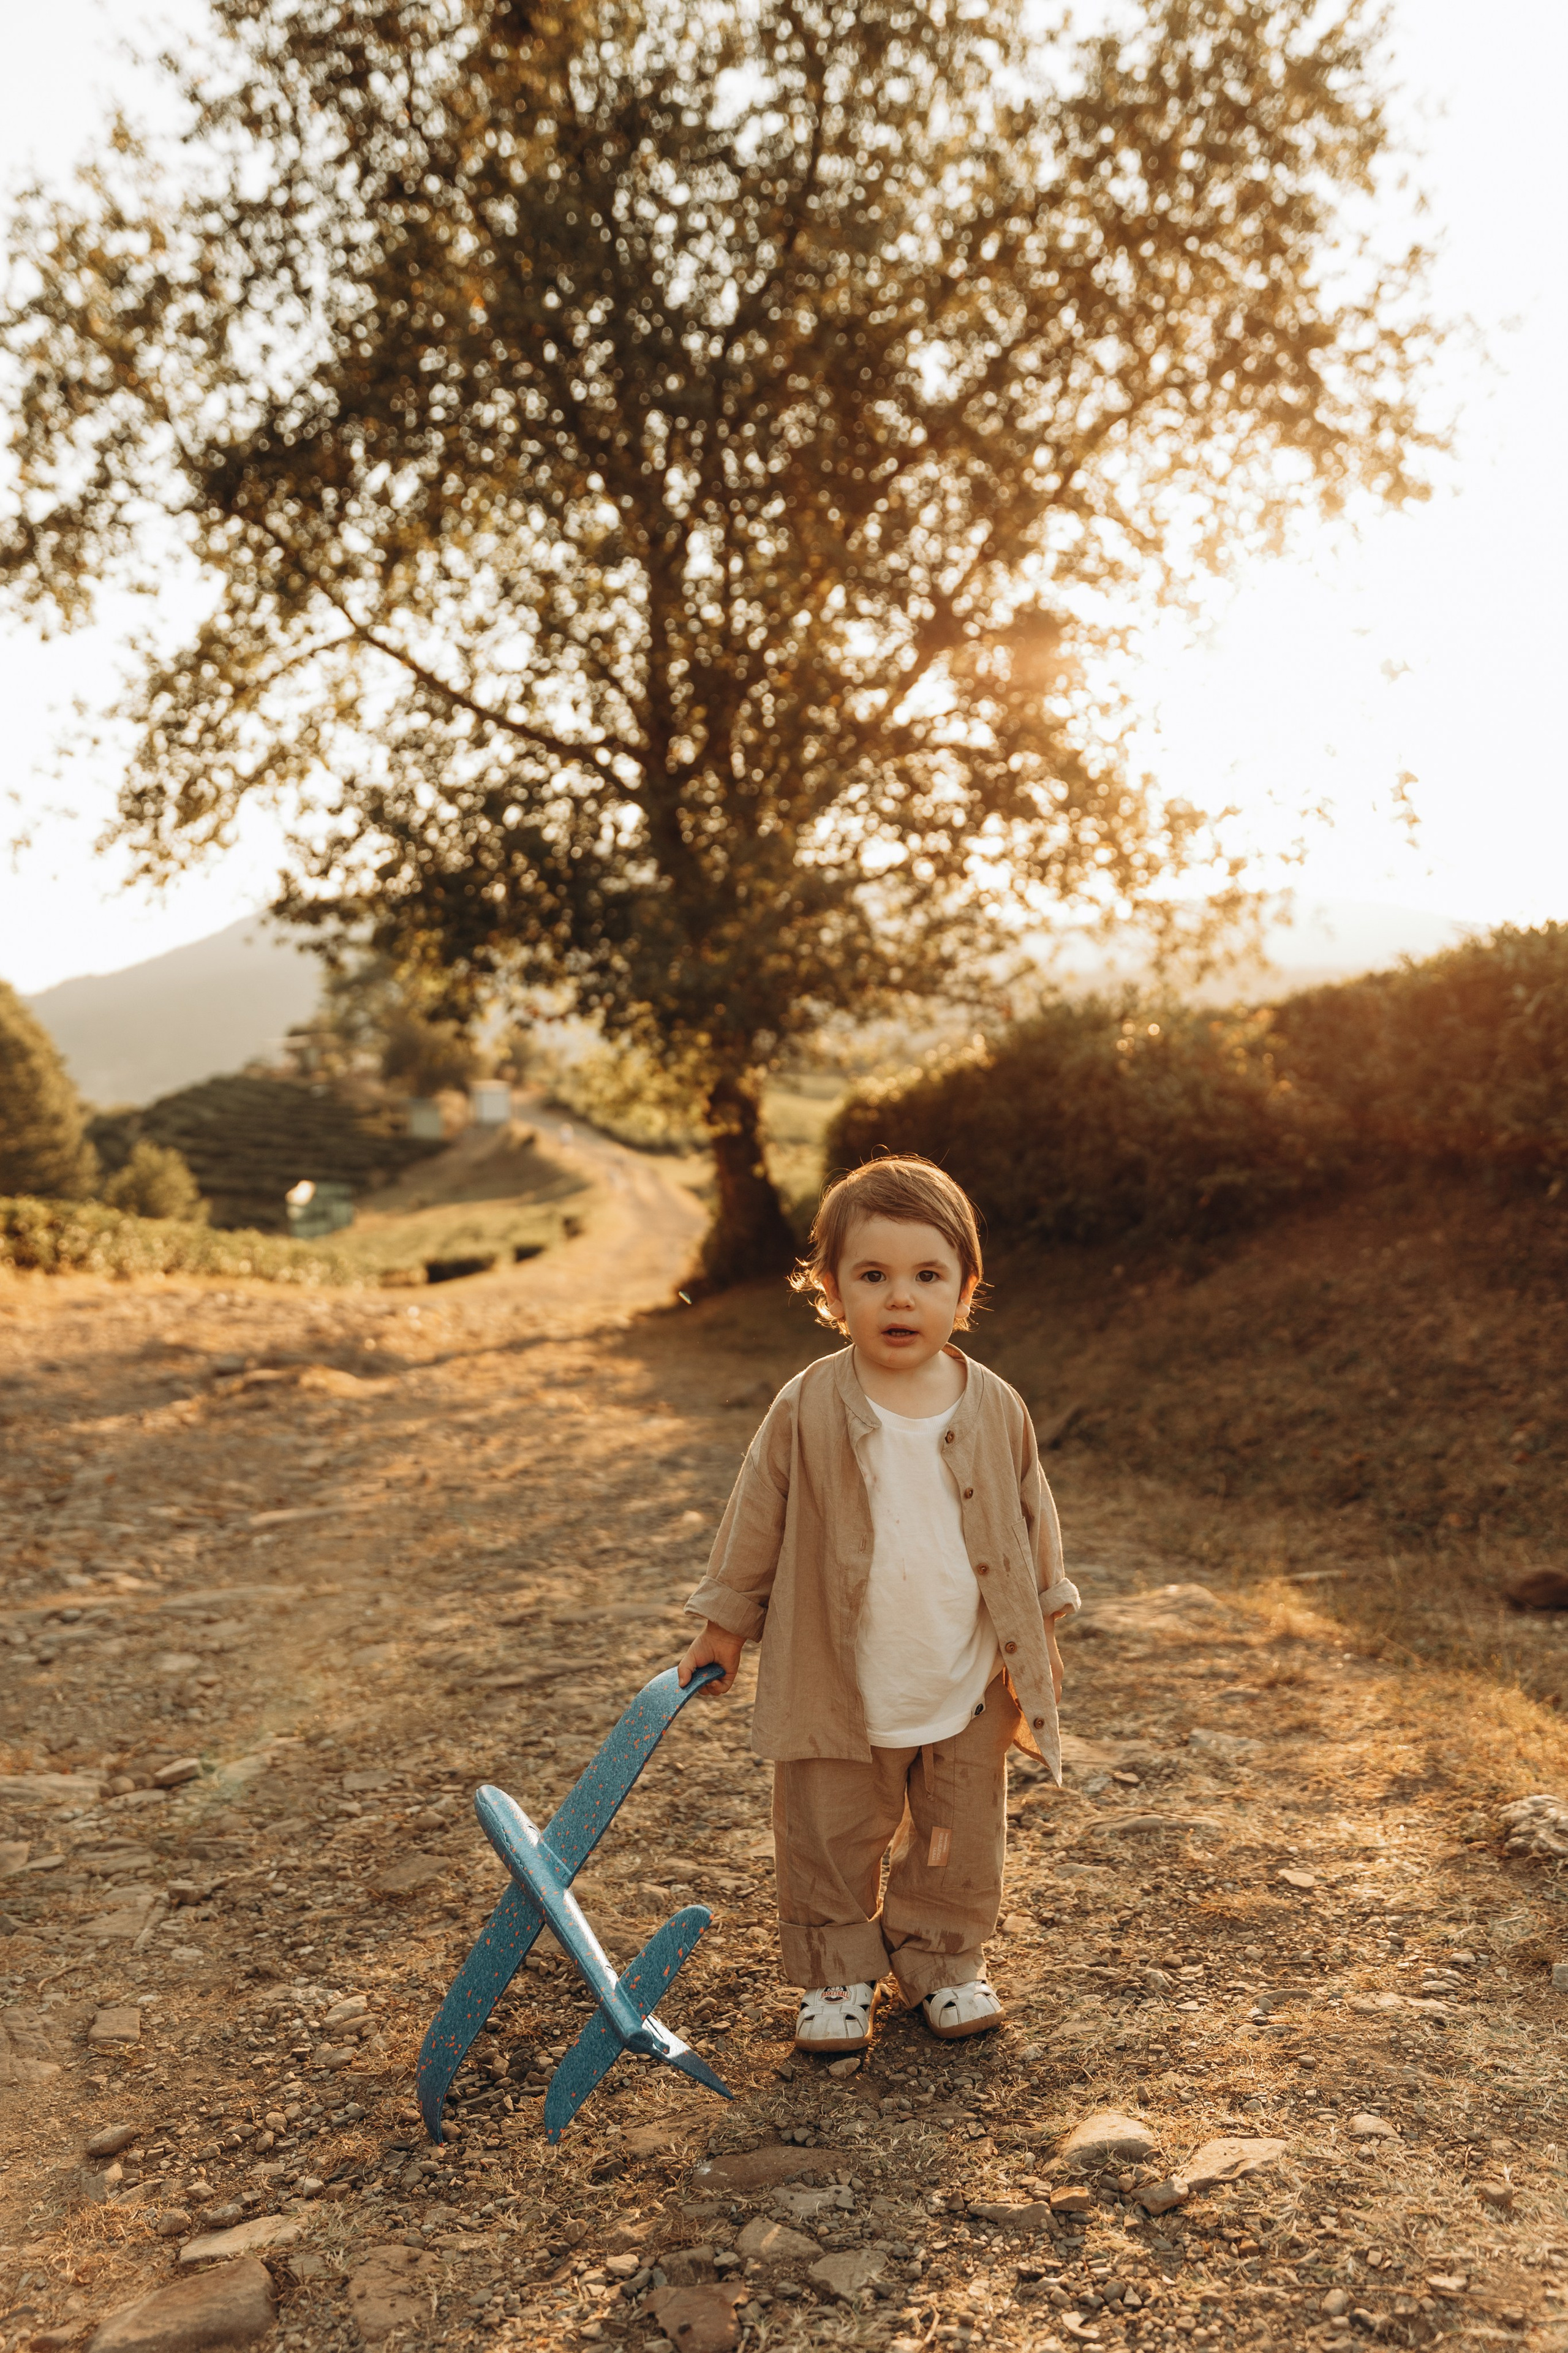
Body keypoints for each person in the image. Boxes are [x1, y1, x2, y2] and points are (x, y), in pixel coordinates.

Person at [677, 1155, 1080, 2053]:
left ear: (965, 1291)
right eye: (873, 1276)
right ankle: (837, 1971)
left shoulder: (996, 1406)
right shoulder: (807, 1404)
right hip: (842, 1677)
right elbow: (756, 1515)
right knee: (829, 1831)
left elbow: (1032, 1523)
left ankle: (943, 1960)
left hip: (964, 1677)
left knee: (958, 1829)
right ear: (832, 1291)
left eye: (927, 1277)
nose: (902, 1299)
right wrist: (724, 1623)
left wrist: (1041, 1632)